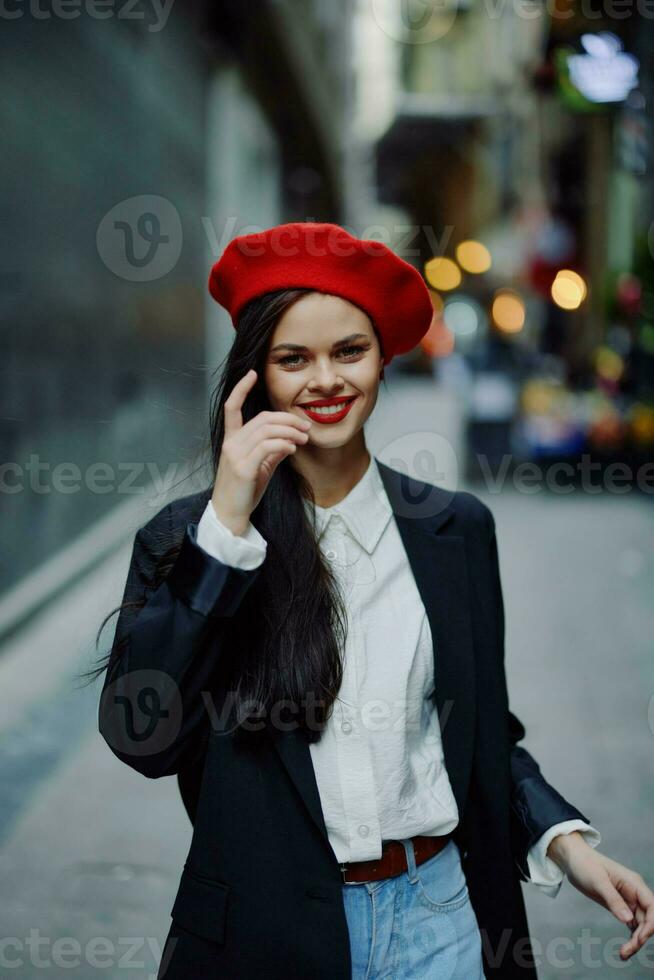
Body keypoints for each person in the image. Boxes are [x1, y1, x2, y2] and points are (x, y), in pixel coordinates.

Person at [95, 223, 654, 979]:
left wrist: (564, 841)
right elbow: (144, 740)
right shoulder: (191, 539)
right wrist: (226, 526)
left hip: (441, 923)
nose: (326, 380)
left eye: (348, 352)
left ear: (384, 358)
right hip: (269, 936)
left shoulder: (456, 530)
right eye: (294, 358)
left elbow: (480, 731)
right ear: (255, 377)